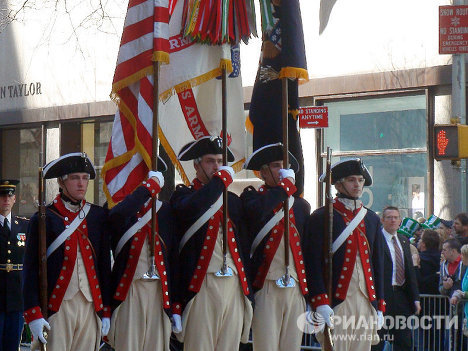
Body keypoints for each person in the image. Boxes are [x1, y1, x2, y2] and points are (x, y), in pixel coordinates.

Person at [170, 136, 253, 350]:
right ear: (196, 165)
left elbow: (243, 246)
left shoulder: (233, 202)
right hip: (201, 285)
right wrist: (218, 183)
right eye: (210, 161)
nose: (216, 166)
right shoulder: (183, 195)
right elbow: (190, 209)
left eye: (219, 161)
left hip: (234, 283)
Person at [23, 152, 111, 351]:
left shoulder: (97, 216)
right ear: (61, 183)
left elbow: (104, 266)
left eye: (84, 178)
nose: (81, 183)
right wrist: (33, 313)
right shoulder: (44, 218)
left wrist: (106, 310)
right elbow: (29, 270)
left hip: (90, 305)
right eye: (74, 178)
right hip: (57, 307)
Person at [304, 158, 385, 351]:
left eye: (360, 179)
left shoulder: (371, 218)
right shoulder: (321, 216)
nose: (357, 184)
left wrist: (380, 304)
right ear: (338, 184)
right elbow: (312, 263)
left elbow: (379, 264)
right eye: (351, 180)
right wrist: (320, 300)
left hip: (366, 299)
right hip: (337, 300)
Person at [240, 143, 311, 351]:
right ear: (262, 172)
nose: (282, 170)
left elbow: (307, 249)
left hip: (295, 286)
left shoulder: (301, 206)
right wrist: (285, 187)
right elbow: (257, 211)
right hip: (266, 285)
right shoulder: (252, 197)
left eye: (284, 166)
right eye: (276, 166)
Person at [106, 156, 181, 351]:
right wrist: (147, 188)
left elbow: (173, 258)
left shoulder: (165, 211)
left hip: (159, 291)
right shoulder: (119, 208)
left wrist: (176, 305)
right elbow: (118, 216)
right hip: (130, 290)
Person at [372, 206, 420, 351]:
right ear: (382, 220)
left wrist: (415, 298)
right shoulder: (375, 240)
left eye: (396, 217)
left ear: (400, 220)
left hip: (401, 297)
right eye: (389, 217)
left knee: (404, 341)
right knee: (377, 341)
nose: (393, 220)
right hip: (382, 297)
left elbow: (410, 272)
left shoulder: (404, 241)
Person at [0, 180, 29, 351]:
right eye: (2, 196)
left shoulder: (24, 225)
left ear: (15, 199)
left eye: (9, 196)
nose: (6, 199)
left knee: (13, 343)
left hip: (17, 295)